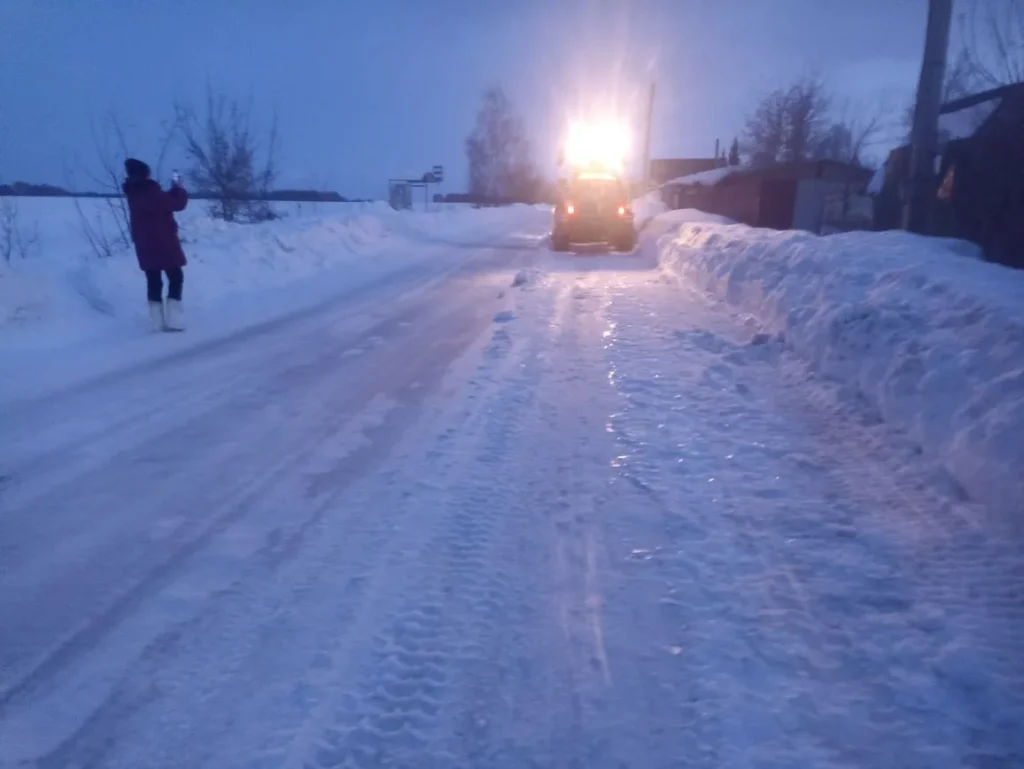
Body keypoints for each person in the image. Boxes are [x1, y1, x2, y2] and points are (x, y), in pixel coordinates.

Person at [122, 158, 189, 331]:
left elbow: (162, 202)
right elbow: (176, 204)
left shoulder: (134, 194)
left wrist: (172, 192)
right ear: (145, 174)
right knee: (175, 277)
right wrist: (180, 189)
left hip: (144, 245)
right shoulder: (151, 192)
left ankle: (156, 322)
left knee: (153, 280)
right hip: (164, 243)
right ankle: (173, 320)